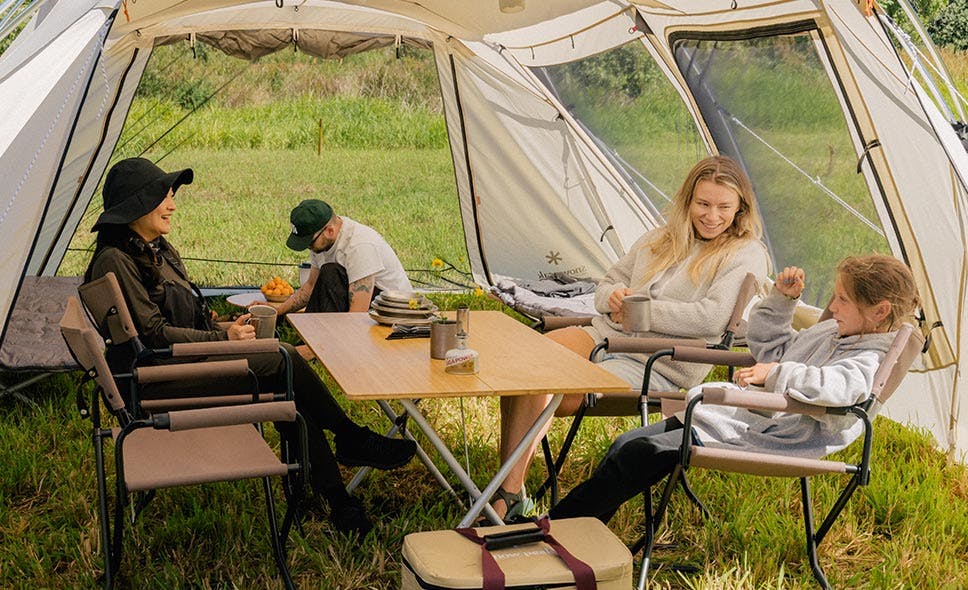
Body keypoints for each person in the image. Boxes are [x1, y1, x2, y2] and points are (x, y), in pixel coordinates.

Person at [83, 157, 417, 537]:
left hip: (184, 363)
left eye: (172, 195)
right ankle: (348, 442)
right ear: (136, 203)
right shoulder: (117, 260)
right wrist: (221, 340)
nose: (173, 205)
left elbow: (189, 321)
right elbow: (154, 336)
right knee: (282, 359)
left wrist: (229, 327)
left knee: (285, 387)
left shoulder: (155, 250)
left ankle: (336, 494)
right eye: (164, 197)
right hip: (162, 381)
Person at [495, 155, 771, 520]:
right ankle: (510, 490)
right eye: (703, 204)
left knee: (551, 388)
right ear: (688, 200)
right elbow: (608, 282)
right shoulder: (660, 239)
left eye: (723, 207)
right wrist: (610, 298)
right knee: (527, 368)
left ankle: (503, 498)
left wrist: (643, 311)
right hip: (604, 336)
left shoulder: (744, 253)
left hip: (661, 363)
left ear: (740, 208)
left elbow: (711, 317)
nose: (712, 216)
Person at [549, 254, 921, 522]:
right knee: (626, 445)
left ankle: (559, 531)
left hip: (777, 435)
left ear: (880, 312)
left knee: (640, 453)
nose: (832, 305)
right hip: (744, 417)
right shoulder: (834, 330)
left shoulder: (871, 357)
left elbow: (840, 389)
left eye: (842, 299)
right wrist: (781, 301)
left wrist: (775, 374)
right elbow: (773, 350)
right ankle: (578, 533)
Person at [270, 198, 412, 315]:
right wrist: (276, 312)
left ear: (330, 231)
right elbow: (310, 286)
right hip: (360, 309)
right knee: (329, 274)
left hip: (393, 315)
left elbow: (357, 315)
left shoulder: (359, 246)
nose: (309, 248)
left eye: (309, 243)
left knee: (331, 273)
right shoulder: (322, 241)